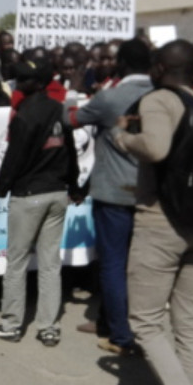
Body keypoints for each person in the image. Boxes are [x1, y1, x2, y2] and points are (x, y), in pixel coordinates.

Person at [112, 40, 193, 385]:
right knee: (188, 319)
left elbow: (155, 147)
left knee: (146, 322)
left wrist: (123, 137)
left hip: (162, 221)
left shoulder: (158, 100)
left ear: (160, 69)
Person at [66, 39, 154, 355]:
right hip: (150, 193)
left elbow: (70, 119)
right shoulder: (162, 96)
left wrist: (72, 91)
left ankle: (120, 335)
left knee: (113, 264)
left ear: (122, 65)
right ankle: (110, 322)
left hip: (114, 194)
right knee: (136, 264)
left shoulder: (110, 98)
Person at [0, 61, 83, 346]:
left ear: (35, 82)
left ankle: (11, 325)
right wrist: (74, 184)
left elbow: (13, 159)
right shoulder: (58, 109)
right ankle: (48, 327)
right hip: (57, 194)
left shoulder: (24, 115)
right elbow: (71, 151)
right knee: (50, 263)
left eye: (24, 78)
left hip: (29, 195)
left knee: (16, 262)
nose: (18, 82)